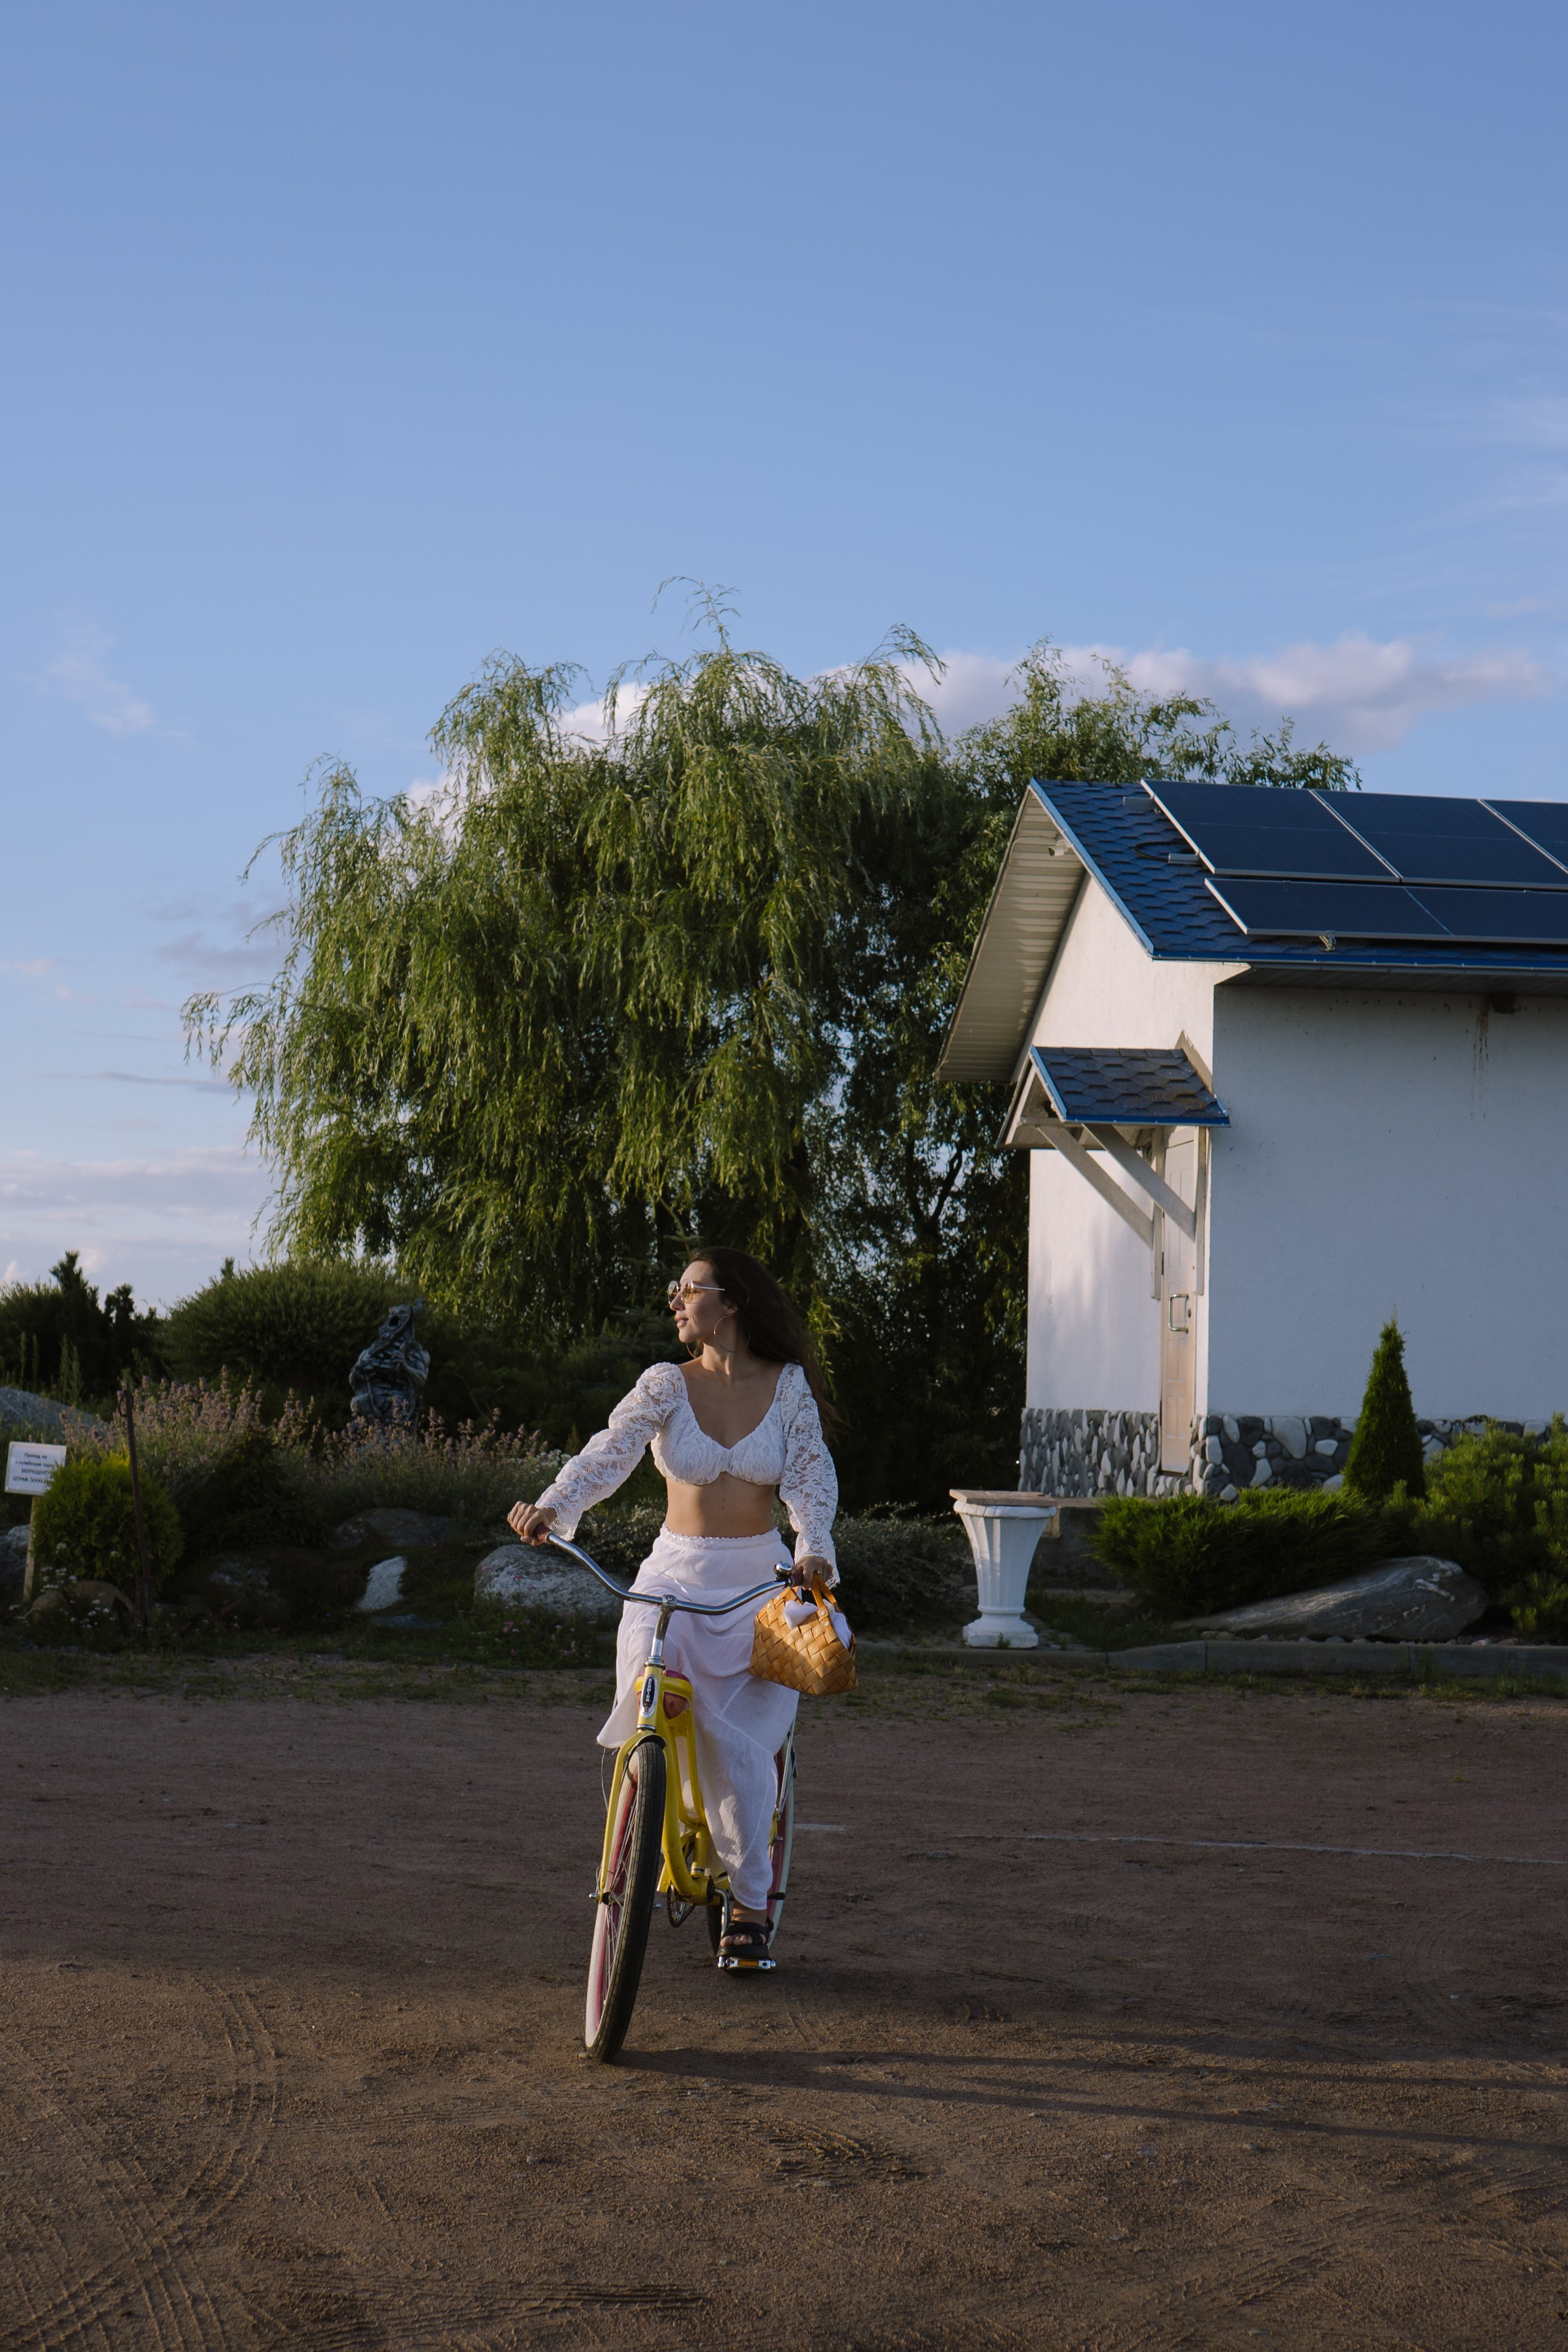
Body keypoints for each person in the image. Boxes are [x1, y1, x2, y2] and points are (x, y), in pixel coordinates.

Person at [508, 1246, 839, 1966]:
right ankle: (643, 1833)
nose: (675, 1301)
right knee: (646, 1696)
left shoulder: (786, 1387)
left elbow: (811, 1476)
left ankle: (747, 1902)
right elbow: (609, 1451)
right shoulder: (665, 1382)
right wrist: (553, 1506)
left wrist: (813, 1547)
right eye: (677, 1290)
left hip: (758, 1587)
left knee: (742, 1747)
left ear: (732, 1302)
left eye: (688, 1289)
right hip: (673, 1581)